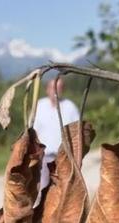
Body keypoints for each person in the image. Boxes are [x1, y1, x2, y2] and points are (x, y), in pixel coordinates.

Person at [33, 77, 81, 206]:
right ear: (47, 90)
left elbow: (77, 132)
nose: (55, 91)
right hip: (44, 156)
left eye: (58, 88)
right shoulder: (39, 105)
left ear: (62, 90)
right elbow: (33, 130)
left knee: (63, 188)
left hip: (64, 156)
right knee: (42, 188)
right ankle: (41, 215)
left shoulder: (70, 107)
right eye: (53, 88)